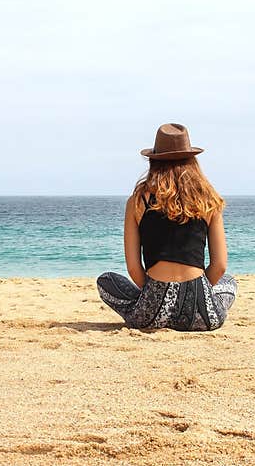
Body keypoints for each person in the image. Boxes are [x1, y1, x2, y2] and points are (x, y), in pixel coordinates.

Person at [97, 123, 238, 331]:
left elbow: (134, 268)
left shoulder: (137, 201)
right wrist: (196, 292)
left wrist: (156, 293)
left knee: (106, 280)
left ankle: (152, 302)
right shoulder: (208, 200)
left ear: (154, 161)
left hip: (152, 315)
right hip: (203, 316)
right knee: (229, 282)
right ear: (192, 161)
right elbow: (220, 266)